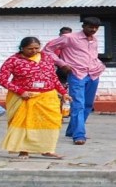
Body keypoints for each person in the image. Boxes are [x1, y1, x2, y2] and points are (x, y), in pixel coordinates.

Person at [0, 37, 69, 160]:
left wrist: (63, 92)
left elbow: (53, 78)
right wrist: (20, 91)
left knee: (51, 123)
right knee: (25, 123)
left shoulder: (46, 58)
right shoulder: (13, 60)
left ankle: (47, 149)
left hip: (47, 96)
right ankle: (24, 150)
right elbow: (1, 79)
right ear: (22, 48)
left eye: (36, 48)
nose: (34, 51)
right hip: (25, 97)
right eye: (30, 49)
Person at [44, 17, 106, 145]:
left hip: (93, 74)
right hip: (77, 74)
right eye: (90, 27)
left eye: (96, 28)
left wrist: (99, 65)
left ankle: (72, 130)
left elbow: (92, 55)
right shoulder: (69, 37)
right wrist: (62, 63)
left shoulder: (94, 40)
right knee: (78, 104)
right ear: (83, 26)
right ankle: (79, 135)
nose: (93, 30)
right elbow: (47, 50)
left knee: (88, 104)